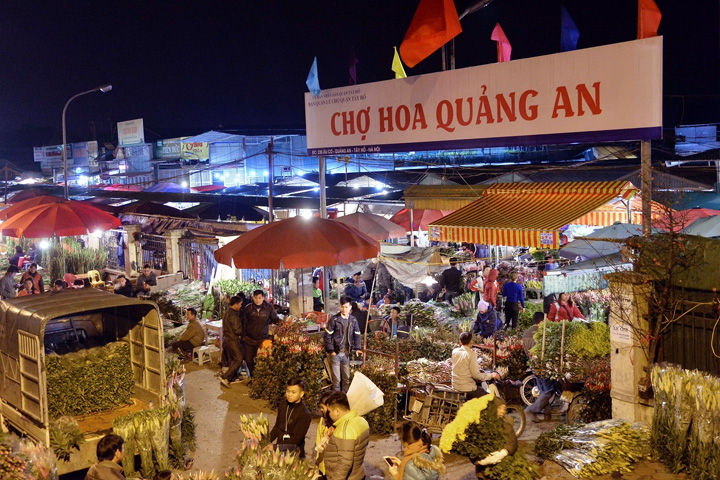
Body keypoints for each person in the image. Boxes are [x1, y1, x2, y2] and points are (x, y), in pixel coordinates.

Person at [323, 391, 370, 480]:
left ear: (337, 411)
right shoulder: (361, 421)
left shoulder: (344, 430)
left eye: (329, 411)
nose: (329, 414)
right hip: (359, 473)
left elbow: (344, 463)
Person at [523, 312, 560, 422]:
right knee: (548, 391)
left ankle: (546, 413)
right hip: (542, 365)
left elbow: (526, 351)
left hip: (533, 365)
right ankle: (531, 409)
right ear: (541, 322)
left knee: (543, 390)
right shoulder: (540, 333)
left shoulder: (526, 333)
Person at [324, 296, 362, 392]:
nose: (344, 309)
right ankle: (336, 400)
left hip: (346, 352)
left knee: (347, 378)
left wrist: (358, 348)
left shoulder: (353, 320)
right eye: (342, 307)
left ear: (350, 307)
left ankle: (344, 398)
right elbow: (327, 336)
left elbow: (357, 335)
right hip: (336, 353)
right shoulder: (334, 319)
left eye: (346, 307)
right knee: (336, 380)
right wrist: (331, 350)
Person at [269, 377, 312, 458]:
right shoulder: (283, 405)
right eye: (288, 391)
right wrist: (267, 441)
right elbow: (277, 426)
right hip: (279, 449)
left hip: (294, 452)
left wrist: (275, 447)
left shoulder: (305, 414)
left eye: (293, 392)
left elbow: (297, 438)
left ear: (301, 394)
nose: (289, 395)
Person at [451, 332, 500, 399]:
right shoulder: (471, 354)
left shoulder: (455, 351)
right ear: (471, 341)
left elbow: (461, 364)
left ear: (460, 342)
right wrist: (491, 375)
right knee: (491, 399)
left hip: (455, 385)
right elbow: (475, 375)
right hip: (467, 387)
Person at [242, 290, 280, 377]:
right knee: (248, 360)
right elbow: (244, 323)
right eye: (255, 298)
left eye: (259, 298)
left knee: (263, 360)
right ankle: (253, 377)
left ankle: (261, 379)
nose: (258, 300)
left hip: (263, 340)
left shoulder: (268, 307)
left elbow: (275, 319)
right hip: (249, 340)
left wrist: (283, 324)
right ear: (253, 298)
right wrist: (243, 336)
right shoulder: (248, 308)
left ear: (263, 298)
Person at [219, 296, 245, 388]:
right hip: (232, 340)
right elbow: (237, 330)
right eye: (240, 304)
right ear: (236, 304)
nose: (241, 306)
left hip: (226, 339)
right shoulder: (234, 315)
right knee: (239, 359)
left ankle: (232, 377)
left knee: (232, 359)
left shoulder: (227, 312)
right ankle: (225, 376)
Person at [315, 391, 335, 479]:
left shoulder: (337, 425)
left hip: (332, 467)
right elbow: (318, 439)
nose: (321, 410)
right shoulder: (322, 420)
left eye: (323, 407)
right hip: (322, 464)